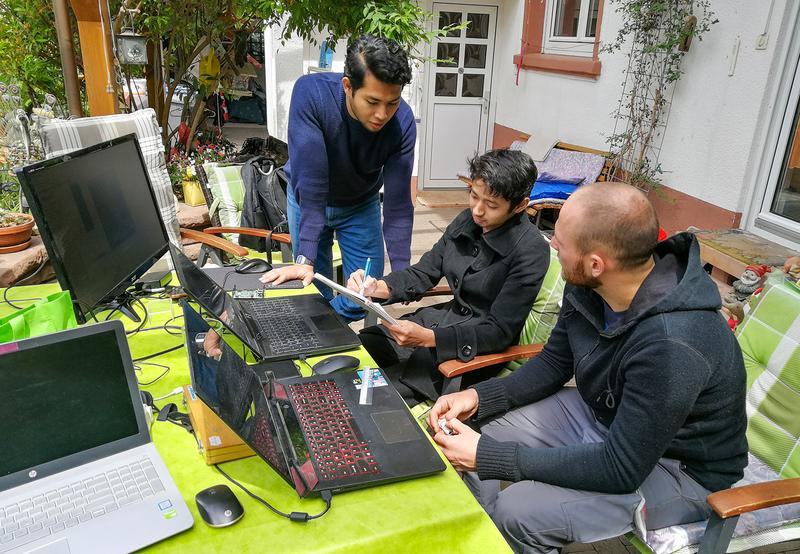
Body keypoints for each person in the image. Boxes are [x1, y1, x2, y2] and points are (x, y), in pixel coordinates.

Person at [427, 182, 748, 553]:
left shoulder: (673, 342)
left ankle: (505, 535)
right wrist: (476, 395)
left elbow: (621, 466)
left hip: (679, 468)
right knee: (461, 428)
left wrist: (490, 457)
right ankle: (486, 540)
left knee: (519, 511)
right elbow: (553, 362)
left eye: (560, 241)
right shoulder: (588, 285)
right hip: (607, 419)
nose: (552, 246)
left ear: (597, 263)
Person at [348, 149, 550, 404]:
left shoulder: (530, 250)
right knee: (357, 351)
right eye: (473, 196)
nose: (477, 211)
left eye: (491, 205)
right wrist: (378, 286)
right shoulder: (467, 221)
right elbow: (424, 271)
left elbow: (499, 332)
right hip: (436, 323)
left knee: (371, 393)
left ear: (520, 205)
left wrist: (430, 339)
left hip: (467, 352)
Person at [260, 34, 415, 321]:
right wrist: (304, 258)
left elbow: (398, 205)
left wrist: (404, 275)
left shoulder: (402, 122)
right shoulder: (312, 95)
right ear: (348, 86)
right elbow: (313, 185)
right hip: (307, 198)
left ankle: (324, 328)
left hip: (361, 203)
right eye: (373, 101)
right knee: (311, 285)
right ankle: (319, 334)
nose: (383, 114)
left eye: (392, 103)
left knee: (364, 295)